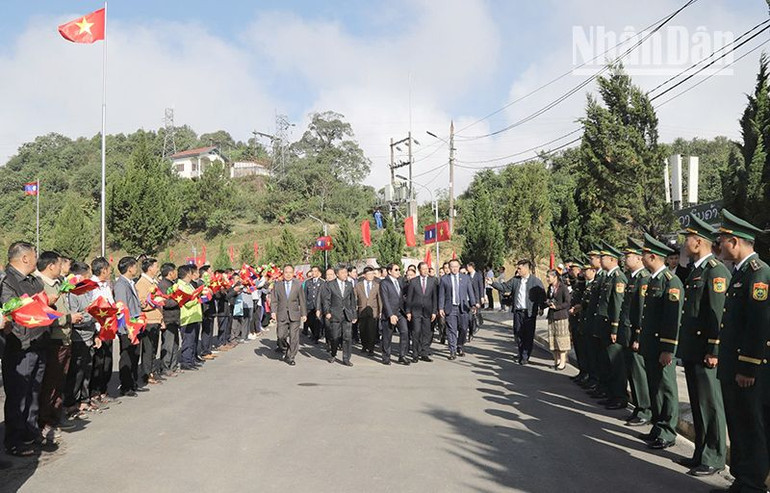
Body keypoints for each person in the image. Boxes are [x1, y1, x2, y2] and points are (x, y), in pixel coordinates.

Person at [715, 209, 770, 492]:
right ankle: (742, 477)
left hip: (747, 369)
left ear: (734, 241)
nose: (719, 245)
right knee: (738, 423)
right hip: (733, 365)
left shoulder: (758, 274)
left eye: (722, 239)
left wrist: (747, 366)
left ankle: (754, 483)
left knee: (751, 426)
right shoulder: (739, 275)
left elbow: (758, 325)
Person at [675, 213, 729, 477]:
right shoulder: (697, 271)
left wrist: (714, 350)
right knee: (697, 404)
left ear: (698, 242)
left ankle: (715, 456)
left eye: (687, 239)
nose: (684, 244)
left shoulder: (715, 272)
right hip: (694, 350)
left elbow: (717, 316)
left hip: (707, 352)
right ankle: (701, 452)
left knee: (710, 405)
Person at [637, 234, 683, 450]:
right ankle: (658, 427)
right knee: (655, 388)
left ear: (652, 256)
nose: (641, 259)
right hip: (651, 346)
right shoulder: (654, 280)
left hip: (662, 347)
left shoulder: (670, 282)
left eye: (643, 255)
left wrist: (667, 348)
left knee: (666, 389)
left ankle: (668, 431)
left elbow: (672, 320)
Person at [1, 242, 45, 457]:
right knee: (18, 394)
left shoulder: (33, 280)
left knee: (33, 392)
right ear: (25, 258)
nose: (36, 260)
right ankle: (14, 440)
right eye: (34, 256)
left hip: (38, 341)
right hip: (19, 345)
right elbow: (11, 311)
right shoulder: (7, 280)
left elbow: (42, 302)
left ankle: (30, 431)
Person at [36, 251, 84, 443]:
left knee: (59, 382)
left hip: (65, 338)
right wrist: (68, 318)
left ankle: (55, 416)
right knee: (49, 383)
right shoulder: (40, 285)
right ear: (51, 266)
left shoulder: (57, 284)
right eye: (59, 264)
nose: (61, 267)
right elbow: (44, 315)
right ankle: (45, 420)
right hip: (53, 340)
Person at [621, 238, 653, 427]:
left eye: (629, 256)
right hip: (628, 332)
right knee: (632, 373)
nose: (626, 259)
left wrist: (638, 337)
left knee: (639, 374)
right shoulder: (632, 278)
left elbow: (641, 312)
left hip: (636, 335)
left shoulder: (644, 280)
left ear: (639, 259)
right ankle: (638, 408)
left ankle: (645, 410)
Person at [490, 259, 545, 365]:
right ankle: (520, 353)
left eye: (519, 268)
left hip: (529, 313)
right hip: (518, 312)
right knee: (518, 333)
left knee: (528, 335)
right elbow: (504, 287)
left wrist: (541, 307)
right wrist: (492, 283)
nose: (517, 270)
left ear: (526, 268)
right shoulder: (515, 280)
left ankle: (525, 356)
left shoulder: (535, 281)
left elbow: (542, 296)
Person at [595, 243, 628, 411]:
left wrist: (614, 328)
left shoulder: (618, 277)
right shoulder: (608, 277)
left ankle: (619, 396)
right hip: (604, 326)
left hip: (611, 327)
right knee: (607, 362)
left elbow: (617, 305)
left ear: (612, 259)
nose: (600, 260)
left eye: (603, 257)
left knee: (616, 365)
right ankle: (610, 393)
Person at [64, 261, 100, 419]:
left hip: (89, 333)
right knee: (76, 372)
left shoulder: (87, 291)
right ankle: (71, 403)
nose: (89, 278)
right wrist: (92, 315)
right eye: (87, 275)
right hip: (78, 336)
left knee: (87, 369)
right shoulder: (73, 293)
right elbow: (74, 316)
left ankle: (84, 400)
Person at [113, 256, 143, 395]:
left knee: (134, 354)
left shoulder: (130, 283)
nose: (136, 269)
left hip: (135, 325)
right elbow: (122, 307)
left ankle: (133, 381)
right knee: (126, 355)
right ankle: (126, 385)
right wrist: (126, 328)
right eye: (135, 266)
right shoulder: (120, 284)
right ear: (129, 268)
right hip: (127, 327)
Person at [90, 257, 118, 399]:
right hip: (97, 328)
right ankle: (95, 392)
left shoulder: (107, 285)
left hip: (109, 328)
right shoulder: (90, 285)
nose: (110, 272)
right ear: (103, 270)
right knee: (98, 362)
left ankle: (103, 389)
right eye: (109, 269)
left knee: (108, 360)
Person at [440, 258, 478, 360]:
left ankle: (460, 346)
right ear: (449, 268)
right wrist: (440, 308)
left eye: (456, 266)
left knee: (464, 328)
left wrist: (473, 304)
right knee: (451, 330)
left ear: (459, 267)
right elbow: (442, 295)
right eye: (452, 267)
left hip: (463, 307)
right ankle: (452, 351)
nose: (454, 269)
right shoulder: (444, 279)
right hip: (450, 307)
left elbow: (470, 292)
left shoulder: (465, 278)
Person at [270, 265, 307, 366]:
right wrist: (273, 312)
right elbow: (274, 300)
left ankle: (291, 357)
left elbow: (302, 300)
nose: (288, 274)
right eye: (286, 272)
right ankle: (285, 348)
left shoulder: (298, 284)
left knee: (294, 337)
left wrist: (304, 313)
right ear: (283, 273)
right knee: (281, 336)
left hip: (294, 314)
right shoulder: (277, 285)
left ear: (293, 273)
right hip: (281, 314)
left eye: (290, 272)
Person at [135, 257, 163, 386]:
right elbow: (141, 303)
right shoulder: (142, 283)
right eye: (156, 266)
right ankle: (146, 373)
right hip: (148, 319)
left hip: (156, 319)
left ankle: (151, 370)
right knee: (148, 348)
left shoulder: (153, 282)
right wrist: (153, 302)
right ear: (150, 268)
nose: (157, 269)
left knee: (153, 348)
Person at [320, 265, 356, 366]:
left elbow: (353, 300)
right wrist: (327, 312)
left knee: (347, 337)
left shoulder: (349, 285)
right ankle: (333, 353)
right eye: (343, 273)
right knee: (335, 337)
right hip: (335, 314)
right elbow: (326, 300)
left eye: (346, 272)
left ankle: (346, 358)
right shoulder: (330, 285)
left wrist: (354, 315)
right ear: (337, 274)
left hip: (347, 314)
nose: (345, 275)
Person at [406, 261, 438, 363]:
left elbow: (434, 298)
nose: (425, 271)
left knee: (426, 333)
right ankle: (415, 354)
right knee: (416, 332)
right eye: (423, 269)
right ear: (419, 270)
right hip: (415, 311)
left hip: (428, 311)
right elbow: (409, 298)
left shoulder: (432, 281)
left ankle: (424, 353)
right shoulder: (414, 281)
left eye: (427, 269)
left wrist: (434, 311)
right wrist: (408, 311)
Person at [379, 263, 410, 365]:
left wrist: (408, 311)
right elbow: (385, 300)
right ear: (389, 271)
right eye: (396, 270)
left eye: (399, 269)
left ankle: (402, 355)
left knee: (405, 332)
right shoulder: (384, 283)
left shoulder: (400, 281)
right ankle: (386, 356)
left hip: (400, 312)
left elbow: (405, 295)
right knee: (387, 336)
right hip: (390, 313)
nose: (398, 272)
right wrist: (390, 314)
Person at [545, 269, 571, 370]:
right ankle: (556, 360)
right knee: (553, 339)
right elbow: (548, 298)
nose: (547, 279)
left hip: (561, 316)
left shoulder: (563, 288)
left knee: (562, 339)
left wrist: (557, 307)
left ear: (555, 277)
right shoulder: (550, 288)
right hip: (552, 316)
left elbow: (567, 302)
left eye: (549, 277)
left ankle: (563, 361)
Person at [158, 263, 181, 377]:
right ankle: (165, 367)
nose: (176, 274)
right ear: (170, 272)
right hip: (168, 317)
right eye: (174, 271)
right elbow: (165, 302)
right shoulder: (163, 285)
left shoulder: (172, 284)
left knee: (175, 343)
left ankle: (173, 365)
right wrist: (179, 300)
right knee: (168, 344)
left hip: (175, 317)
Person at [354, 266, 381, 356]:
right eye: (369, 274)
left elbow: (379, 299)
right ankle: (364, 345)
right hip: (362, 310)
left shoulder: (376, 285)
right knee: (363, 329)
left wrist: (380, 311)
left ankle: (371, 348)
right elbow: (355, 298)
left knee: (372, 330)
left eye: (372, 274)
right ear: (365, 275)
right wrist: (355, 309)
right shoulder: (358, 285)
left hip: (373, 310)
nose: (371, 276)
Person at [303, 266, 324, 343]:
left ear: (318, 272)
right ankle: (314, 333)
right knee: (310, 322)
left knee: (318, 322)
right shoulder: (308, 282)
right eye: (312, 271)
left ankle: (316, 336)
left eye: (315, 271)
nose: (314, 273)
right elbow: (305, 294)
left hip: (318, 306)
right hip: (309, 305)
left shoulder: (322, 282)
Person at [466, 262, 485, 342]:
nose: (467, 268)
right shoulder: (467, 276)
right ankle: (471, 331)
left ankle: (473, 329)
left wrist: (482, 297)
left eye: (468, 267)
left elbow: (481, 286)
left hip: (476, 298)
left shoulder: (478, 275)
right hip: (469, 299)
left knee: (474, 316)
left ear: (471, 267)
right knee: (470, 317)